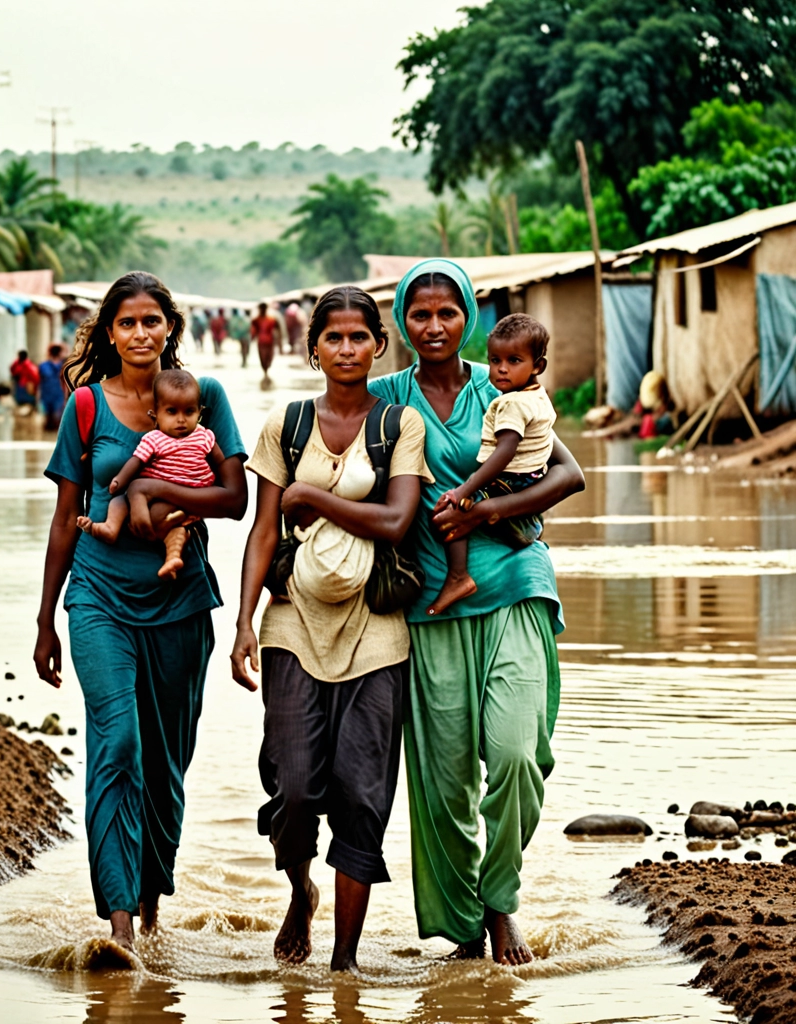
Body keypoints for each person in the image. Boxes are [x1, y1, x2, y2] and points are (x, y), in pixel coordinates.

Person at [367, 258, 584, 966]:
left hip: (515, 584)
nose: (434, 327)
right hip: (430, 604)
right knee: (444, 781)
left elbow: (568, 474)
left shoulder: (505, 380)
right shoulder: (382, 397)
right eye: (420, 314)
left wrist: (485, 508)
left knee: (518, 755)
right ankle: (463, 923)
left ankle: (500, 904)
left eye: (448, 313)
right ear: (401, 320)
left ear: (470, 316)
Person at [35, 271, 248, 959]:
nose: (140, 334)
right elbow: (68, 515)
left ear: (171, 328)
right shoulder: (87, 407)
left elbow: (237, 498)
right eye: (127, 323)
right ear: (109, 332)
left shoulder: (201, 398)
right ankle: (121, 924)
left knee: (167, 762)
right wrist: (45, 619)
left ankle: (153, 904)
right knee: (119, 743)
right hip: (97, 595)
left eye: (152, 321)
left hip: (180, 599)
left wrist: (154, 485)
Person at [231, 286, 432, 974]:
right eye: (333, 337)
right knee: (293, 786)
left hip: (377, 631)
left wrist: (314, 496)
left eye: (359, 337)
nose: (347, 349)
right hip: (291, 625)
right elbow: (263, 528)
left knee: (362, 791)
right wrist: (241, 625)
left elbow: (398, 520)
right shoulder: (285, 425)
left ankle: (344, 963)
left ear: (378, 346)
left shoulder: (398, 424)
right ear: (312, 346)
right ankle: (299, 888)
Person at [429, 313, 556, 613]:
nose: (501, 369)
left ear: (538, 366)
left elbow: (504, 453)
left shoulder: (510, 403)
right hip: (533, 477)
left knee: (451, 514)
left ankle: (458, 577)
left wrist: (465, 490)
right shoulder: (538, 396)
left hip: (511, 480)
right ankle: (528, 526)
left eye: (513, 361)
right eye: (495, 360)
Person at [77, 368, 225, 580]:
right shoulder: (157, 438)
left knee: (131, 507)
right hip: (170, 498)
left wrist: (219, 480)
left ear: (199, 413)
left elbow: (221, 464)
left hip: (178, 497)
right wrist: (119, 480)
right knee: (130, 507)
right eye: (172, 412)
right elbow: (135, 463)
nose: (181, 420)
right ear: (155, 415)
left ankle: (163, 553)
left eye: (189, 412)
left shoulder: (202, 436)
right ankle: (118, 531)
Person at [250, 302, 281, 387]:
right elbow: (253, 331)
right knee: (263, 359)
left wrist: (279, 342)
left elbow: (278, 329)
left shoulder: (272, 319)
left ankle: (266, 374)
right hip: (261, 342)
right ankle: (265, 374)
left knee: (269, 358)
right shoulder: (256, 320)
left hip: (270, 342)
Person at [38, 343, 67, 431]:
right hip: (56, 394)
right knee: (53, 420)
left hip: (51, 394)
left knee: (52, 419)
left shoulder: (44, 366)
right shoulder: (64, 366)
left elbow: (39, 382)